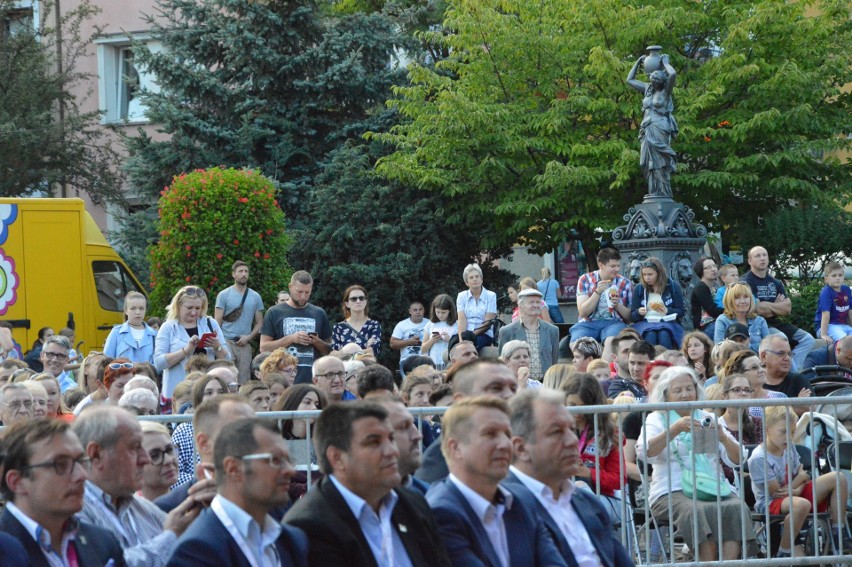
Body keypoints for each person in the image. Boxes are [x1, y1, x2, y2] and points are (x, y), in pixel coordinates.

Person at [284, 401, 452, 566]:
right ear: (337, 457)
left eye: (391, 439)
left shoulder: (413, 503)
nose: (392, 451)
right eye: (374, 442)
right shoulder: (312, 525)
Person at [425, 397, 567, 566]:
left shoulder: (523, 500)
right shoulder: (440, 513)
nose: (505, 444)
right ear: (455, 448)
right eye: (490, 434)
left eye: (507, 434)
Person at [505, 389, 634, 567]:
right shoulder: (503, 505)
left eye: (572, 429)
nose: (572, 440)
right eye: (557, 431)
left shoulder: (588, 503)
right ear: (520, 448)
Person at [636, 366, 754, 561]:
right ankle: (707, 564)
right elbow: (643, 452)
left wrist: (723, 437)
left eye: (689, 388)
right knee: (697, 510)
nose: (685, 394)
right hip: (671, 489)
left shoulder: (708, 417)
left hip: (713, 486)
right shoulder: (656, 418)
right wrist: (673, 430)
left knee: (736, 507)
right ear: (666, 394)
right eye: (678, 390)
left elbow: (738, 459)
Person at [166, 418, 308, 567]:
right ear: (233, 469)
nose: (290, 471)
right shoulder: (196, 550)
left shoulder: (292, 540)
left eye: (288, 460)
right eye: (275, 460)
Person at [73, 406, 202, 567]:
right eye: (134, 448)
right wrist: (171, 536)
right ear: (96, 454)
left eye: (169, 450)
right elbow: (109, 563)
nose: (145, 459)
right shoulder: (72, 512)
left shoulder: (143, 509)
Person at [0, 419, 126, 566]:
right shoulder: (5, 551)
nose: (81, 475)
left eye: (80, 461)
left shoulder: (103, 542)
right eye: (60, 464)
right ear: (17, 482)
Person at [748, 406, 852, 558]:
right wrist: (799, 481)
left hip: (794, 494)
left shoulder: (789, 447)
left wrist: (797, 485)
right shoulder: (759, 458)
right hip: (770, 502)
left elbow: (804, 476)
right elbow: (777, 492)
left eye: (792, 432)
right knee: (802, 504)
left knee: (838, 477)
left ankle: (838, 533)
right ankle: (783, 552)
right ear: (767, 430)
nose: (789, 437)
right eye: (783, 432)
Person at [416, 359, 519, 483]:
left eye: (513, 389)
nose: (509, 395)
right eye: (496, 388)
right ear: (461, 400)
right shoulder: (439, 463)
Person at [154, 395, 254, 514]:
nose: (252, 439)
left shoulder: (268, 493)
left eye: (253, 430)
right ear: (204, 443)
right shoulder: (167, 508)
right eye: (239, 432)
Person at [562, 373, 630, 532]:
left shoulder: (609, 434)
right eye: (572, 404)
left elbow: (619, 479)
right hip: (564, 498)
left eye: (584, 406)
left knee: (579, 488)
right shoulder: (555, 431)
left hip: (604, 500)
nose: (577, 412)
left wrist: (589, 473)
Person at [743, 246, 815, 371]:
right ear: (750, 261)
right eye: (757, 256)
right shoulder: (746, 281)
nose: (762, 258)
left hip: (775, 322)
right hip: (756, 323)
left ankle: (793, 371)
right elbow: (757, 309)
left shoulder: (775, 282)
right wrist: (776, 306)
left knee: (808, 339)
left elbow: (787, 309)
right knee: (782, 338)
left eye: (764, 255)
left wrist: (766, 305)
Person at [155, 285, 231, 400]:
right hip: (178, 393)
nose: (194, 312)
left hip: (207, 392)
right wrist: (185, 350)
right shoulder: (168, 327)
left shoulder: (211, 323)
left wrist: (217, 347)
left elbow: (228, 360)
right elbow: (159, 363)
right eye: (189, 308)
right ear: (178, 306)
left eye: (198, 308)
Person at [260, 271, 332, 385]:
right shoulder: (274, 312)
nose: (303, 296)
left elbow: (329, 351)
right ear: (290, 287)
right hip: (282, 382)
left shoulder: (319, 313)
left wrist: (317, 342)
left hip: (312, 381)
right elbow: (263, 348)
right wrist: (291, 339)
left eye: (307, 292)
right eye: (299, 292)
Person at [626, 51, 678, 198]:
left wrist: (665, 63)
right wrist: (637, 62)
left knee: (660, 163)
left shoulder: (665, 92)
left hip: (660, 126)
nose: (653, 79)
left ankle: (662, 193)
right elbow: (629, 80)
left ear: (663, 81)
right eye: (652, 77)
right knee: (644, 163)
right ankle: (653, 191)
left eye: (657, 77)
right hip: (647, 128)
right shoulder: (648, 89)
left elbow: (672, 75)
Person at [172, 374, 231, 487]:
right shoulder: (184, 430)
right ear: (199, 398)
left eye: (221, 392)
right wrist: (206, 482)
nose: (216, 397)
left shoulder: (235, 428)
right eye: (209, 393)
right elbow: (174, 472)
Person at [214, 260, 265, 384]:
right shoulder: (224, 295)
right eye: (240, 271)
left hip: (245, 344)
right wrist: (220, 344)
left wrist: (248, 337)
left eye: (246, 271)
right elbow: (217, 323)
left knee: (244, 381)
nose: (244, 274)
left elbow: (259, 323)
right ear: (233, 274)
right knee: (226, 378)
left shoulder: (255, 296)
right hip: (227, 342)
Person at [368, 392, 429, 494]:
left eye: (413, 425)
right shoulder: (349, 503)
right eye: (404, 427)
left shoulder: (425, 494)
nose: (418, 436)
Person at [570, 248, 632, 346]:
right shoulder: (585, 279)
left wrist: (617, 305)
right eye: (612, 266)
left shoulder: (625, 283)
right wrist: (597, 292)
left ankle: (603, 360)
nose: (617, 269)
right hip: (588, 323)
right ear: (601, 265)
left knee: (611, 343)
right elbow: (583, 312)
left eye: (618, 265)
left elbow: (630, 317)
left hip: (614, 322)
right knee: (577, 344)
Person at [498, 288, 560, 381]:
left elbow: (554, 360)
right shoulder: (507, 331)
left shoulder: (552, 330)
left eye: (538, 302)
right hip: (519, 383)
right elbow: (502, 363)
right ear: (521, 306)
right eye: (531, 302)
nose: (536, 305)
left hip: (545, 384)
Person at [630, 257, 685, 348]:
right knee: (650, 335)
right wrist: (638, 312)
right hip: (645, 323)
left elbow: (681, 311)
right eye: (644, 274)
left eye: (650, 274)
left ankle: (666, 360)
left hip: (667, 322)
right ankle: (649, 361)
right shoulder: (639, 289)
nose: (647, 278)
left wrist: (667, 311)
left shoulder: (672, 286)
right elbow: (632, 316)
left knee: (664, 335)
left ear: (659, 273)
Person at [759, 335, 811, 416]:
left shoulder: (798, 380)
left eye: (789, 354)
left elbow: (810, 409)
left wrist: (770, 410)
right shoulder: (754, 382)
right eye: (781, 353)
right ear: (764, 356)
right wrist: (795, 405)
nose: (787, 358)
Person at [104, 291, 159, 364]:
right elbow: (106, 363)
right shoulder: (116, 333)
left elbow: (159, 364)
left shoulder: (154, 335)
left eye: (141, 308)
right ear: (126, 310)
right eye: (133, 308)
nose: (138, 312)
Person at [714, 282, 771, 352]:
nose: (743, 301)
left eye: (746, 297)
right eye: (737, 298)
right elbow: (719, 349)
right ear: (729, 301)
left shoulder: (760, 321)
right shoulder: (722, 320)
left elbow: (768, 348)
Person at [332, 285, 383, 357]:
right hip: (345, 368)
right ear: (347, 304)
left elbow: (373, 351)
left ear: (365, 302)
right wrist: (364, 351)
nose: (358, 301)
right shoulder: (339, 327)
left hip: (366, 367)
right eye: (353, 299)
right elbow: (334, 354)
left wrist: (345, 353)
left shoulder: (374, 325)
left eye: (361, 298)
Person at [456, 263, 498, 350]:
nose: (475, 279)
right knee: (454, 348)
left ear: (481, 279)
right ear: (467, 282)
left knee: (471, 347)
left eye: (477, 276)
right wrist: (462, 341)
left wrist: (472, 335)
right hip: (466, 335)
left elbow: (488, 323)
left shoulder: (491, 296)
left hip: (484, 334)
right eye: (471, 277)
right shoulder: (461, 296)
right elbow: (461, 321)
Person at [139, 422, 179, 502]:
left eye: (169, 450)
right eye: (155, 456)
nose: (169, 460)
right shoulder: (129, 512)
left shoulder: (190, 504)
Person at [814, 261, 852, 344]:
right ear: (826, 279)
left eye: (840, 275)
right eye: (834, 275)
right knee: (845, 341)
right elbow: (825, 313)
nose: (837, 278)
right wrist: (823, 334)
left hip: (844, 325)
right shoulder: (826, 292)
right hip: (829, 326)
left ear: (843, 277)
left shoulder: (847, 289)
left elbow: (850, 310)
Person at [391, 300, 431, 371]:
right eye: (415, 310)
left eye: (420, 309)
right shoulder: (402, 325)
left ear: (424, 310)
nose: (418, 312)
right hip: (407, 361)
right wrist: (409, 341)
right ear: (410, 311)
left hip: (426, 361)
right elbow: (392, 344)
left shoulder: (430, 323)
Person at [420, 294, 458, 370]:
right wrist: (432, 340)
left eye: (443, 312)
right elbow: (423, 349)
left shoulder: (457, 324)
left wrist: (449, 340)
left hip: (450, 363)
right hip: (434, 362)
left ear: (450, 310)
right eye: (438, 312)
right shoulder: (430, 325)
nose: (440, 315)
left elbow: (461, 346)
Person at [691, 256, 723, 338]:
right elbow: (712, 311)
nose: (713, 269)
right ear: (701, 271)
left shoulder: (715, 288)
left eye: (714, 266)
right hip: (705, 327)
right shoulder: (700, 288)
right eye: (708, 268)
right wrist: (731, 311)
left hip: (717, 322)